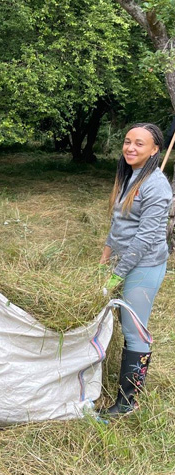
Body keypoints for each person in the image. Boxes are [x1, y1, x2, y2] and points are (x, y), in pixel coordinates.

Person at [99, 122, 172, 416]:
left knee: (135, 330)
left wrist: (118, 274)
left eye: (139, 143)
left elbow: (145, 238)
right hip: (123, 261)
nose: (130, 148)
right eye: (128, 141)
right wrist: (104, 259)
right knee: (123, 323)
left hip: (144, 266)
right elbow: (118, 225)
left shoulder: (156, 185)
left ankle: (128, 403)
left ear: (155, 150)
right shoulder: (129, 175)